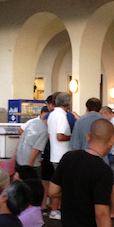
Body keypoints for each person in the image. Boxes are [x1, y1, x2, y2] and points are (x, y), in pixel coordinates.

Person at [47, 92, 73, 220]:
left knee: (57, 184)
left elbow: (50, 135)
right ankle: (58, 211)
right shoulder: (62, 116)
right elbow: (60, 136)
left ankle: (55, 210)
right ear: (68, 103)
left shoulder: (52, 115)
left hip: (54, 154)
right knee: (64, 186)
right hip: (62, 155)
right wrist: (72, 137)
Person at [15, 106, 49, 179]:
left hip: (19, 159)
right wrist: (29, 166)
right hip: (31, 164)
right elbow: (36, 150)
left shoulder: (32, 122)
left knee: (19, 183)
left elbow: (21, 138)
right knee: (34, 184)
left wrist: (16, 154)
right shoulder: (45, 130)